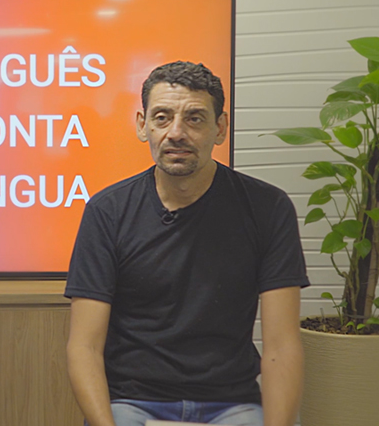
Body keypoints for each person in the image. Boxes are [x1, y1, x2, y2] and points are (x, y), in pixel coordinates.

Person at [65, 61, 309, 426]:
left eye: (194, 119)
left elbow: (281, 347)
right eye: (162, 118)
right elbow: (84, 347)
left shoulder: (267, 208)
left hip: (232, 403)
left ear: (220, 128)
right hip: (131, 401)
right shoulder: (107, 211)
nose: (176, 133)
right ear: (142, 125)